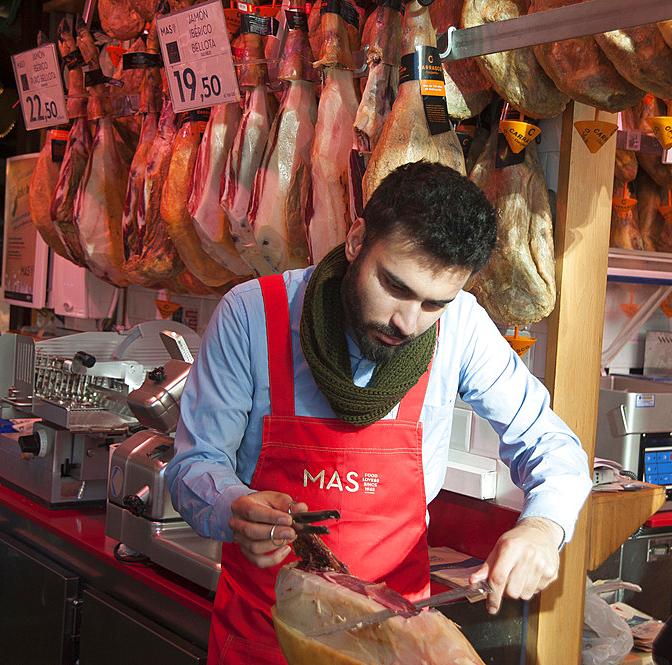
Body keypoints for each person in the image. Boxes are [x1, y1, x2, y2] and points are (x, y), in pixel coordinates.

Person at [166, 160, 592, 664]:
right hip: (265, 638)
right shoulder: (252, 316)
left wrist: (542, 529)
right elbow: (192, 465)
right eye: (395, 285)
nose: (407, 322)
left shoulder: (462, 329)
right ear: (356, 241)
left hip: (393, 645)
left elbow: (551, 446)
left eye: (435, 302)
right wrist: (231, 504)